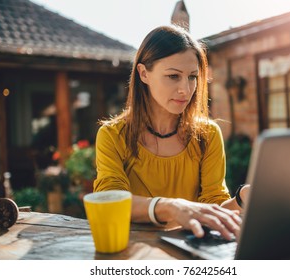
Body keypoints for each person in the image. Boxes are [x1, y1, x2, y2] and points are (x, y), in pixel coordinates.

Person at [93, 25, 250, 240]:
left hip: (192, 252)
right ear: (144, 73)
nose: (185, 89)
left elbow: (212, 207)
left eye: (193, 77)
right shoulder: (112, 135)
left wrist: (241, 198)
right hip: (135, 253)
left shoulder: (208, 134)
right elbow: (111, 200)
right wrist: (171, 207)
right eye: (173, 76)